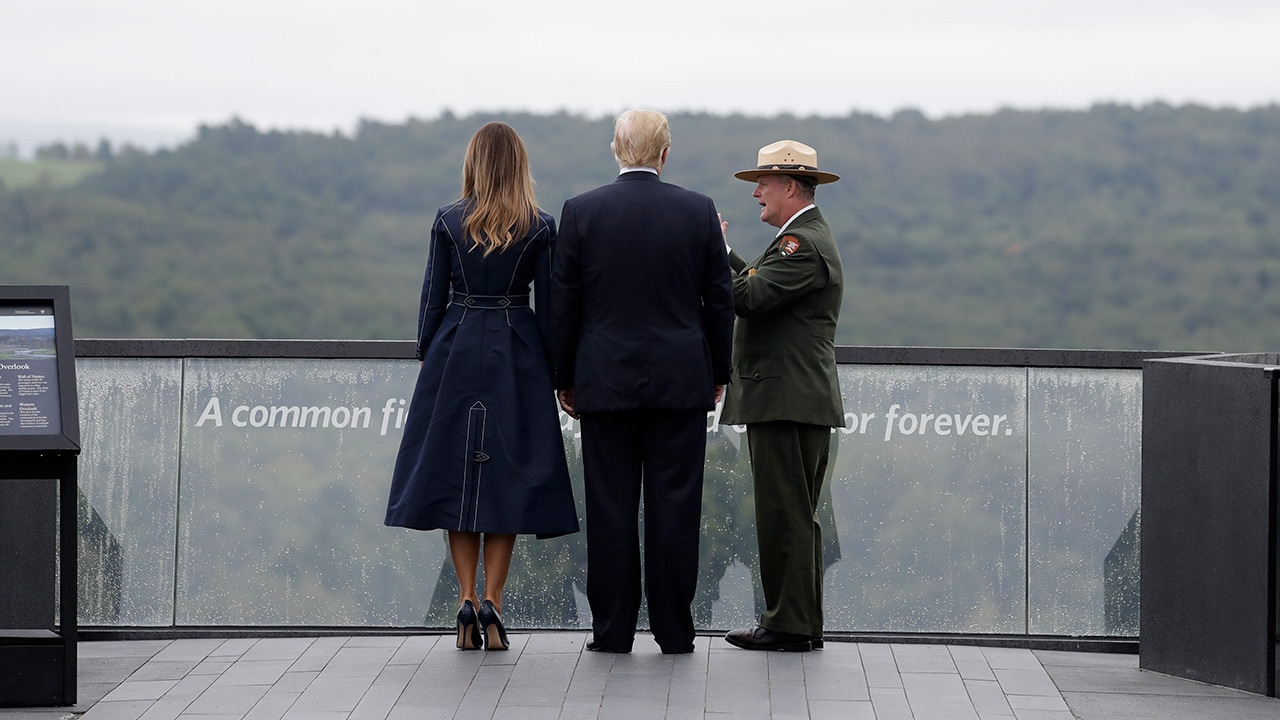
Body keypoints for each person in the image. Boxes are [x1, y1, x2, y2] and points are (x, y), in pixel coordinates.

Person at [385, 121, 579, 652]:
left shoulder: (448, 220)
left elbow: (432, 297)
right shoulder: (539, 225)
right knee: (506, 476)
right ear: (519, 164)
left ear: (473, 162)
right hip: (517, 350)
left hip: (457, 346)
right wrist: (559, 373)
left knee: (457, 475)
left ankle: (466, 598)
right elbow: (552, 310)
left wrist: (428, 352)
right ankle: (494, 599)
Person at [550, 109, 735, 654]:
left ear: (615, 149)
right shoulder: (698, 211)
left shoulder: (581, 212)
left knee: (609, 507)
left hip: (603, 384)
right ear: (665, 153)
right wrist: (718, 373)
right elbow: (719, 302)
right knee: (676, 506)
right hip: (680, 382)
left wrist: (564, 377)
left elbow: (564, 305)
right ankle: (675, 631)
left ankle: (611, 631)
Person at [720, 140, 845, 652]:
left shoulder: (803, 244)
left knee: (784, 514)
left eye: (762, 185)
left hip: (787, 400)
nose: (756, 196)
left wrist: (710, 254)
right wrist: (724, 254)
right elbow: (756, 280)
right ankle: (798, 623)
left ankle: (787, 625)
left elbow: (748, 296)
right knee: (792, 513)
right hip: (790, 399)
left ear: (791, 186)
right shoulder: (800, 239)